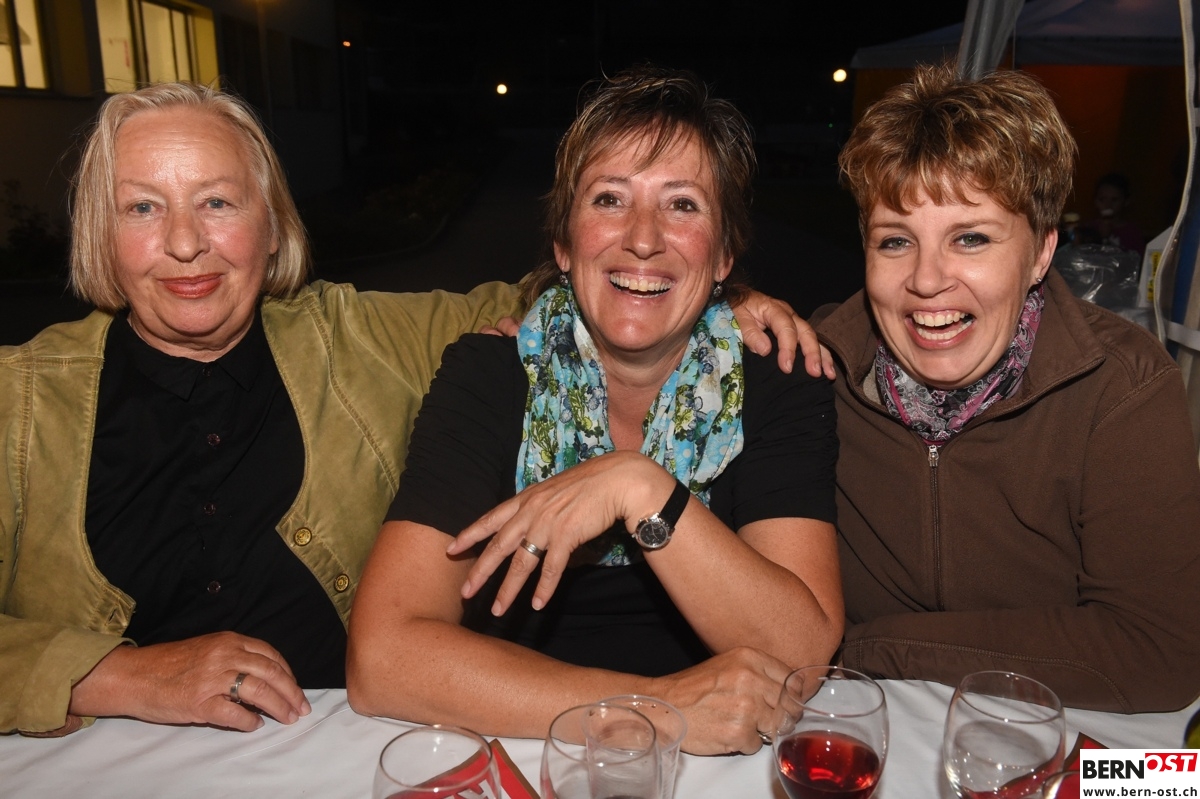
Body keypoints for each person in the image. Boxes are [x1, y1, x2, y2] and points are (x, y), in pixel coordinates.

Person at [0, 82, 817, 737]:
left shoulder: (366, 339)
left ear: (271, 224)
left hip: (335, 748)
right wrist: (107, 674)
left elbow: (593, 297)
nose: (186, 242)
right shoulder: (18, 399)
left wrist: (722, 301)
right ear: (98, 231)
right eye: (143, 207)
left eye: (217, 202)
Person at [347, 67, 843, 755]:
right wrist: (650, 708)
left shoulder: (777, 379)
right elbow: (381, 659)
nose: (643, 238)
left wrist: (636, 486)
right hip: (525, 745)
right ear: (563, 243)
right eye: (610, 198)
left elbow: (801, 656)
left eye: (683, 205)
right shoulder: (490, 376)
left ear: (724, 254)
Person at [819, 63, 1200, 713]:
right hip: (862, 725)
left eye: (971, 238)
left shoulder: (1120, 387)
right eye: (895, 241)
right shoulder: (815, 370)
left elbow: (1159, 651)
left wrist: (872, 648)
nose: (927, 280)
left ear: (1041, 253)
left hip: (1050, 730)